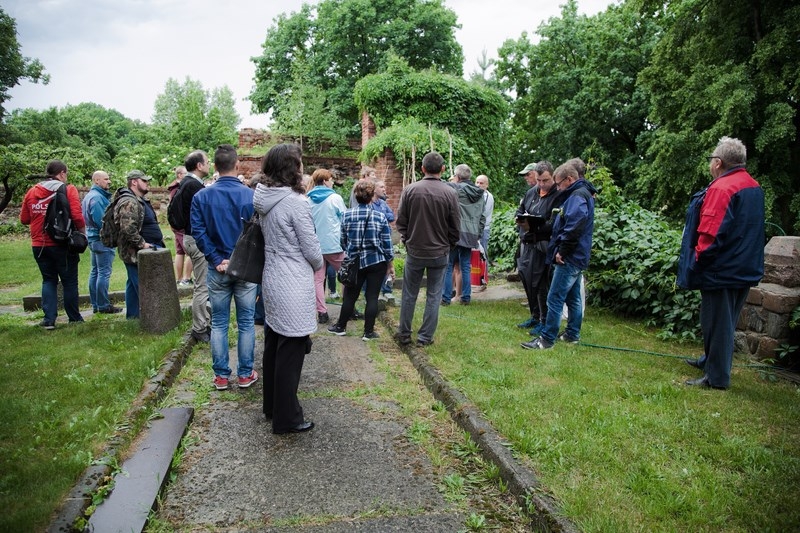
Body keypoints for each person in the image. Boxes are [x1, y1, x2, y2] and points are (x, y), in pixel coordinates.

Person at [680, 137, 765, 390]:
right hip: (744, 267)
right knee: (725, 321)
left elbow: (710, 234)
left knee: (716, 323)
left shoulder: (723, 188)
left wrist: (697, 261)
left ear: (718, 162)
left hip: (721, 270)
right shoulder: (753, 185)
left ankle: (716, 378)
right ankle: (710, 361)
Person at [254, 143, 323, 434]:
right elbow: (312, 251)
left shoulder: (263, 196)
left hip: (272, 275)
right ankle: (287, 417)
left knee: (274, 345)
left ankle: (272, 406)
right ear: (291, 168)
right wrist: (319, 262)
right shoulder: (295, 202)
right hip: (292, 280)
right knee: (291, 350)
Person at [190, 144, 259, 391]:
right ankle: (244, 374)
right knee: (246, 322)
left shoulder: (201, 197)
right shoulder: (250, 196)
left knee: (219, 322)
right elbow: (257, 233)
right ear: (237, 165)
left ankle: (221, 376)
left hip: (217, 267)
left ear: (216, 166)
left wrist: (216, 259)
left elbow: (198, 231)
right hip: (245, 268)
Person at [522, 162, 594, 350]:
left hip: (570, 256)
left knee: (554, 298)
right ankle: (572, 334)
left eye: (560, 183)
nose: (558, 188)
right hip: (578, 255)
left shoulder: (577, 196)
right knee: (573, 297)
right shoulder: (583, 193)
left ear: (569, 179)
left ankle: (546, 339)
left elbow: (574, 226)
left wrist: (562, 250)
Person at [395, 151, 460, 347]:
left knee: (409, 293)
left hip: (416, 250)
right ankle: (425, 337)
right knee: (434, 295)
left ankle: (404, 333)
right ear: (443, 169)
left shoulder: (410, 190)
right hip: (439, 252)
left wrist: (407, 239)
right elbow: (455, 225)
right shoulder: (450, 193)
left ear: (422, 169)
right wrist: (449, 243)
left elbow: (401, 221)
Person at [20, 160, 86, 329]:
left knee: (48, 280)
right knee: (69, 281)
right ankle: (74, 318)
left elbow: (24, 219)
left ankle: (49, 319)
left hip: (39, 244)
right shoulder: (68, 189)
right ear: (62, 173)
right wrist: (82, 234)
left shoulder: (32, 192)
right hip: (62, 243)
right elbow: (77, 216)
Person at [327, 180, 394, 340]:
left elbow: (342, 241)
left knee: (350, 296)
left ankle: (341, 326)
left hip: (354, 262)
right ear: (371, 196)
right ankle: (368, 332)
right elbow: (387, 243)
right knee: (372, 297)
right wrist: (390, 264)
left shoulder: (347, 215)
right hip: (376, 261)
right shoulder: (380, 216)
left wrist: (351, 250)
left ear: (356, 196)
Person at [515, 161, 564, 335]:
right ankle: (535, 316)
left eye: (545, 180)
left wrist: (535, 226)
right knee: (528, 281)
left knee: (541, 284)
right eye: (538, 180)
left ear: (553, 177)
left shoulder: (558, 195)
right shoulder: (531, 193)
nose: (541, 184)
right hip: (527, 243)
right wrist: (521, 219)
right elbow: (520, 210)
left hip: (544, 245)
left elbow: (555, 223)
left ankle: (545, 320)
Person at [114, 170, 164, 320]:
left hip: (143, 249)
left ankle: (133, 317)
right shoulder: (129, 201)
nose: (148, 183)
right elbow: (127, 228)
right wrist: (143, 244)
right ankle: (154, 318)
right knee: (144, 285)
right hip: (137, 251)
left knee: (133, 283)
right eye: (144, 180)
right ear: (134, 182)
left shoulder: (138, 200)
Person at [177, 151, 212, 342]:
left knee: (202, 284)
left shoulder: (186, 183)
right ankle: (199, 327)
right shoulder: (193, 186)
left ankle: (204, 321)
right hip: (196, 239)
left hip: (189, 237)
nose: (209, 164)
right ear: (199, 165)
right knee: (202, 286)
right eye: (207, 162)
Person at [442, 164, 485, 306]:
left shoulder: (456, 188)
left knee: (448, 265)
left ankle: (445, 298)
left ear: (458, 176)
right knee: (465, 266)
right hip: (471, 233)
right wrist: (478, 234)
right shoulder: (479, 193)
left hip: (456, 231)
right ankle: (466, 297)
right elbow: (482, 216)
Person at [307, 168, 347, 324]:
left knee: (317, 280)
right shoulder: (335, 198)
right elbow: (344, 219)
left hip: (316, 245)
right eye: (330, 180)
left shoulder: (308, 199)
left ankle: (322, 312)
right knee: (345, 275)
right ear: (325, 181)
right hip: (334, 244)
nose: (332, 182)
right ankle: (348, 308)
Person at [81, 170, 122, 314]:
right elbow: (102, 222)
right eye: (105, 179)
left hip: (92, 238)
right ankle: (103, 305)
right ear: (96, 180)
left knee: (95, 272)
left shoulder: (89, 196)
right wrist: (113, 234)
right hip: (101, 239)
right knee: (103, 272)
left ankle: (96, 304)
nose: (109, 181)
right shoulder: (97, 198)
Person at [167, 165, 193, 286]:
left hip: (176, 224)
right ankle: (186, 278)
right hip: (180, 224)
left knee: (180, 251)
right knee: (189, 251)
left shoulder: (174, 188)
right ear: (179, 175)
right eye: (185, 173)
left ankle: (179, 278)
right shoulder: (178, 188)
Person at [371, 179, 396, 299]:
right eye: (381, 187)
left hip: (386, 236)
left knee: (388, 262)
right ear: (374, 189)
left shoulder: (383, 203)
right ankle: (376, 290)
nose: (384, 189)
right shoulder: (369, 203)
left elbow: (392, 216)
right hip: (375, 238)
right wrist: (383, 215)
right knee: (377, 265)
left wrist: (381, 215)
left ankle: (387, 289)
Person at [475, 174, 494, 289]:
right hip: (476, 229)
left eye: (481, 183)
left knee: (482, 254)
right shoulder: (477, 194)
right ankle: (476, 279)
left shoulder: (487, 196)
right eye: (477, 182)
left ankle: (484, 280)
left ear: (487, 185)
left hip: (483, 229)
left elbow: (481, 214)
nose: (478, 185)